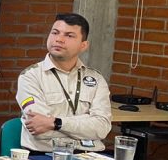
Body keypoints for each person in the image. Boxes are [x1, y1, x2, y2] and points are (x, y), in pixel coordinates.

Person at [16, 12, 111, 152]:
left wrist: (55, 123)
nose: (59, 39)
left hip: (90, 156)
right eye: (55, 33)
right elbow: (39, 129)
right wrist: (85, 125)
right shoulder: (30, 76)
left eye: (69, 35)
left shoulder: (96, 79)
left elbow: (102, 128)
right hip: (46, 155)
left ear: (83, 45)